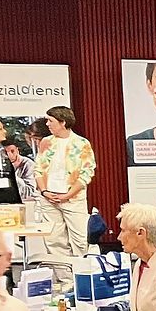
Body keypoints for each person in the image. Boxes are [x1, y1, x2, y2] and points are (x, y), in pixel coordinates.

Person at [36, 106, 95, 290]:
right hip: (49, 198)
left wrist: (68, 194)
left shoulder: (82, 143)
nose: (47, 124)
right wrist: (45, 191)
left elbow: (87, 172)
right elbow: (38, 168)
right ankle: (65, 281)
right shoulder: (46, 142)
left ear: (62, 122)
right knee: (54, 240)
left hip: (73, 198)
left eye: (50, 121)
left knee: (79, 239)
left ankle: (82, 280)